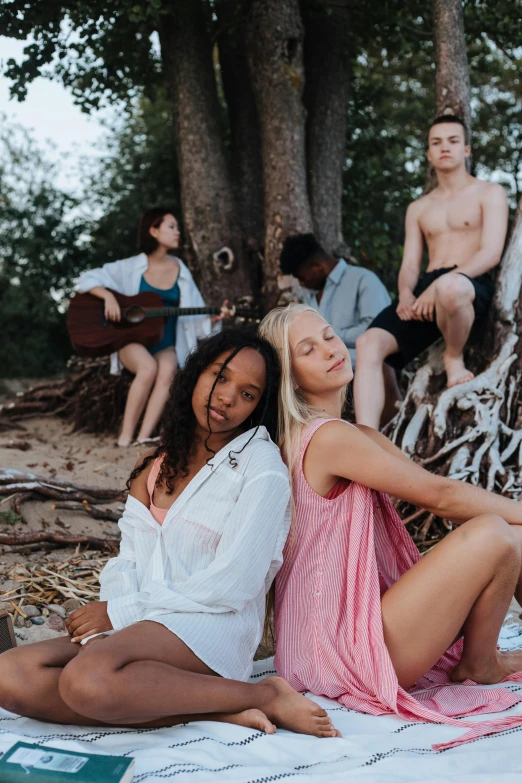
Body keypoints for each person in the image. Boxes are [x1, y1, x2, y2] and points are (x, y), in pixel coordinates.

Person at [0, 329, 339, 738]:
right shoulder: (158, 464)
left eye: (248, 394)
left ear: (258, 406)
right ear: (196, 374)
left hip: (208, 627)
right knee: (11, 673)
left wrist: (120, 612)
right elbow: (129, 557)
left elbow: (235, 582)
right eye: (220, 376)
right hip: (142, 625)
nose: (228, 397)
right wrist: (118, 615)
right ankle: (212, 709)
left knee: (85, 682)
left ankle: (261, 695)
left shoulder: (261, 467)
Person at [260, 303, 522, 750]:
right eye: (308, 349)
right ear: (289, 375)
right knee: (498, 535)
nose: (329, 349)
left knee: (506, 534)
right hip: (341, 649)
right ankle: (481, 665)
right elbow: (442, 499)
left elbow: (441, 493)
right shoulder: (325, 438)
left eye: (327, 335)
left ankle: (480, 662)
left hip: (344, 633)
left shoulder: (356, 434)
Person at [354, 115, 509, 428]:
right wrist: (407, 294)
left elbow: (491, 254)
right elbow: (411, 264)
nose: (445, 148)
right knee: (368, 343)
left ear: (466, 150)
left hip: (469, 284)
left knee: (450, 287)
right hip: (427, 288)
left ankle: (454, 356)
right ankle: (365, 433)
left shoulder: (489, 193)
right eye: (436, 143)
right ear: (428, 154)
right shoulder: (420, 207)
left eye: (452, 141)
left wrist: (436, 287)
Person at [76, 207, 227, 447]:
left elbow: (194, 311)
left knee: (168, 370)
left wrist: (214, 318)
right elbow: (86, 279)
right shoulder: (131, 267)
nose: (178, 232)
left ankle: (143, 437)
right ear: (154, 230)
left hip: (165, 341)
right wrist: (108, 297)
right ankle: (124, 438)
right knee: (147, 368)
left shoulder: (181, 271)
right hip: (131, 339)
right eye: (171, 227)